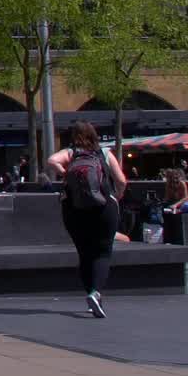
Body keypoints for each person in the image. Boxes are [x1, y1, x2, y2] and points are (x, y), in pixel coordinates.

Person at [47, 119, 127, 318]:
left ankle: (91, 295)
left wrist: (66, 173)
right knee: (102, 252)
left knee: (84, 253)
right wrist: (117, 195)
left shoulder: (71, 153)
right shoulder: (104, 153)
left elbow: (51, 160)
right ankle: (95, 293)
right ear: (94, 134)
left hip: (73, 208)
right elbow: (121, 180)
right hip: (103, 207)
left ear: (73, 136)